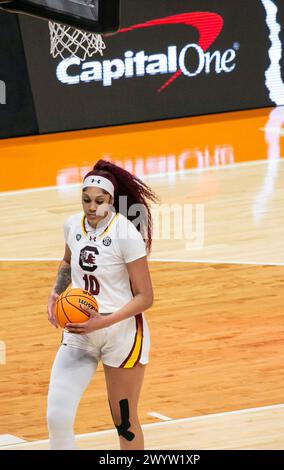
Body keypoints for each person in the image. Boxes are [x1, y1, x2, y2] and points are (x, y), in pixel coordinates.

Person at [47, 159, 158, 450]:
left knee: (124, 423)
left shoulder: (126, 234)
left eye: (100, 201)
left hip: (121, 333)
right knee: (57, 415)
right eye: (86, 200)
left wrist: (102, 322)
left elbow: (145, 297)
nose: (92, 206)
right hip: (78, 330)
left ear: (111, 200)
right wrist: (56, 293)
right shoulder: (72, 224)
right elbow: (68, 261)